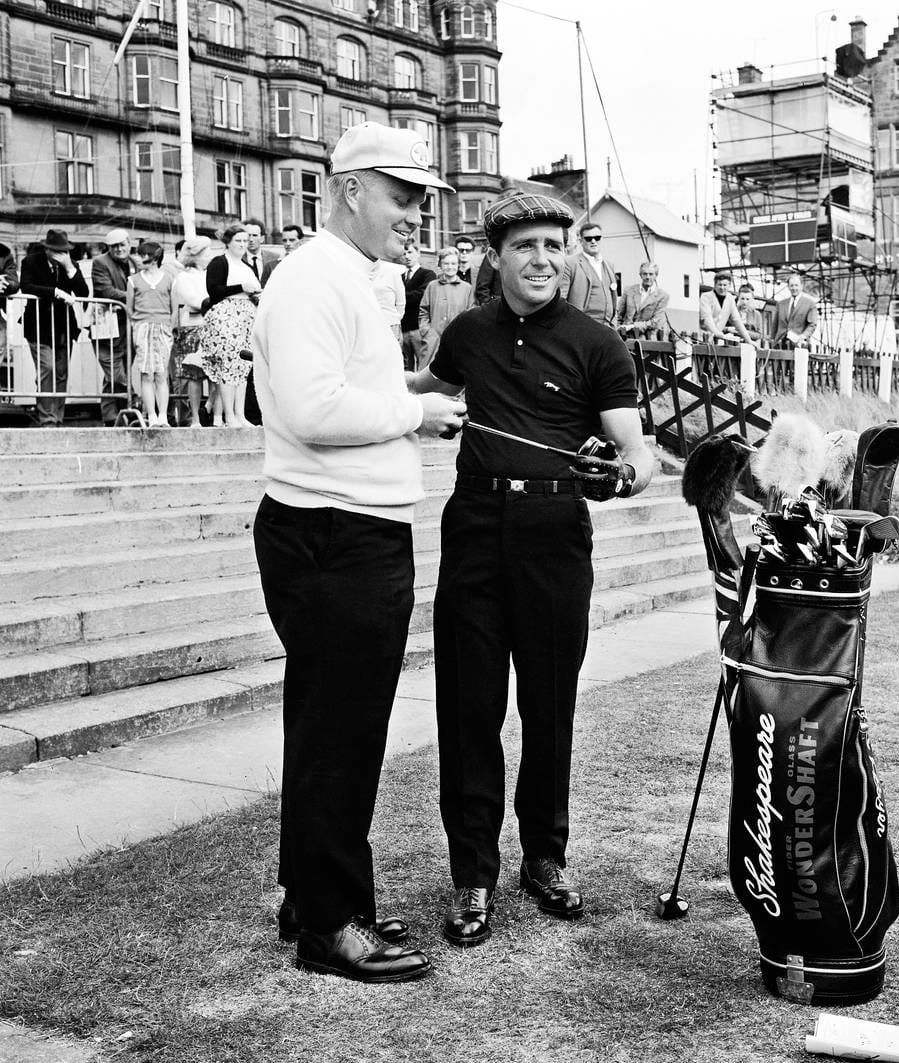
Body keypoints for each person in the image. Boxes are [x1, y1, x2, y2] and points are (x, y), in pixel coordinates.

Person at [251, 121, 465, 984]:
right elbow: (311, 411)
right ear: (348, 189)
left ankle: (312, 896)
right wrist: (416, 413)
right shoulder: (315, 276)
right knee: (341, 732)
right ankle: (331, 923)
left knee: (325, 726)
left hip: (342, 528)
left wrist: (406, 394)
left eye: (420, 199)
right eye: (401, 195)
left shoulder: (343, 275)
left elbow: (337, 390)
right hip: (334, 532)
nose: (415, 214)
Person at [412, 193, 656, 948]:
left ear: (569, 253)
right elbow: (428, 394)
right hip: (474, 527)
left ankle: (544, 859)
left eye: (554, 245)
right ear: (496, 257)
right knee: (469, 706)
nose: (542, 259)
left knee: (549, 705)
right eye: (525, 246)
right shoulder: (467, 331)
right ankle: (472, 875)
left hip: (555, 533)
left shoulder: (597, 341)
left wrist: (625, 475)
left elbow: (636, 451)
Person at [19, 229, 89, 426]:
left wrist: (70, 269)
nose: (61, 255)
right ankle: (47, 419)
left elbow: (83, 292)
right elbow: (26, 286)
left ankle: (57, 418)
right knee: (47, 368)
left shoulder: (71, 265)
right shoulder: (31, 261)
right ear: (47, 249)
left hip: (64, 328)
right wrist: (55, 292)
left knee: (61, 373)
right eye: (57, 251)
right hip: (38, 327)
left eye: (64, 251)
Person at [202, 223, 260, 428]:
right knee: (228, 365)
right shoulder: (219, 262)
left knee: (243, 366)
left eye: (245, 241)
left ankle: (240, 414)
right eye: (238, 241)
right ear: (228, 242)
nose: (243, 244)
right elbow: (213, 290)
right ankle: (229, 416)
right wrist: (240, 287)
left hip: (246, 316)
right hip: (226, 315)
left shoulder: (247, 266)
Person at [90, 228, 137, 426]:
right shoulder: (100, 262)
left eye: (121, 245)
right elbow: (105, 290)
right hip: (106, 327)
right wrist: (136, 297)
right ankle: (133, 405)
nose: (118, 249)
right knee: (116, 372)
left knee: (115, 373)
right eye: (114, 246)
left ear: (129, 244)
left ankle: (110, 416)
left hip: (128, 328)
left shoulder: (135, 262)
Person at [127, 240, 175, 427]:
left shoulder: (169, 279)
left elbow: (174, 308)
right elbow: (130, 308)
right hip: (143, 327)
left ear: (154, 258)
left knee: (161, 374)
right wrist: (137, 326)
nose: (139, 259)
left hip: (163, 327)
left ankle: (163, 416)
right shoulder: (134, 280)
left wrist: (170, 327)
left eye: (143, 255)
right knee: (146, 374)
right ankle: (152, 416)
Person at [171, 237, 213, 428]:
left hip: (211, 326)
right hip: (191, 329)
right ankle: (194, 417)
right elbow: (194, 300)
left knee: (215, 374)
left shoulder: (210, 275)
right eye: (206, 253)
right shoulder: (184, 277)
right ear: (196, 256)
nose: (210, 256)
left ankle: (211, 411)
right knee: (193, 375)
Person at [418, 246, 474, 364]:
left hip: (458, 340)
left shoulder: (467, 288)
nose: (450, 267)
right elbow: (424, 310)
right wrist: (426, 330)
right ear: (440, 265)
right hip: (433, 340)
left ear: (458, 265)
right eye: (446, 263)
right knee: (428, 370)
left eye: (453, 263)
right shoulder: (432, 286)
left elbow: (471, 314)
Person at [560, 221, 618, 326]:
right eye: (588, 238)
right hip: (582, 326)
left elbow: (614, 298)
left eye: (597, 238)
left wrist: (614, 323)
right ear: (581, 241)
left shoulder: (609, 265)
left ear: (602, 239)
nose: (593, 241)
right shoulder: (570, 263)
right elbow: (561, 299)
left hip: (608, 327)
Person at [400, 240, 435, 371]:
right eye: (404, 253)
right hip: (403, 329)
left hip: (418, 329)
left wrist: (401, 297)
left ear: (418, 253)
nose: (407, 256)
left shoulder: (427, 274)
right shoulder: (399, 277)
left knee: (423, 365)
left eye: (410, 252)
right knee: (406, 368)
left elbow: (422, 295)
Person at [698, 270, 754, 345]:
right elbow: (707, 318)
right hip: (702, 338)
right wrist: (716, 332)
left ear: (729, 285)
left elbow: (737, 321)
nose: (722, 287)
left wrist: (748, 340)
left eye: (725, 285)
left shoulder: (730, 299)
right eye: (719, 284)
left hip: (716, 339)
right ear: (715, 285)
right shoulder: (706, 297)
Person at [616, 261, 669, 338]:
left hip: (647, 338)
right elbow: (618, 314)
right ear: (640, 275)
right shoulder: (629, 291)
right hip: (625, 336)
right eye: (645, 274)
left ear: (656, 275)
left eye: (651, 274)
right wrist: (618, 329)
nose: (648, 277)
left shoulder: (662, 296)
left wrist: (633, 326)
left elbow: (656, 322)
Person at [772, 273, 818, 349]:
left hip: (799, 345)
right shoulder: (780, 304)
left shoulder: (810, 304)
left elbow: (812, 325)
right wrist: (772, 341)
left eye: (796, 285)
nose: (794, 288)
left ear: (801, 286)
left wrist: (803, 336)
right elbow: (774, 326)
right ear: (788, 287)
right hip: (780, 344)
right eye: (791, 285)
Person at [241, 218, 279, 286]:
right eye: (248, 235)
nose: (251, 239)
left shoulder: (274, 258)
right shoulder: (238, 259)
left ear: (262, 238)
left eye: (254, 235)